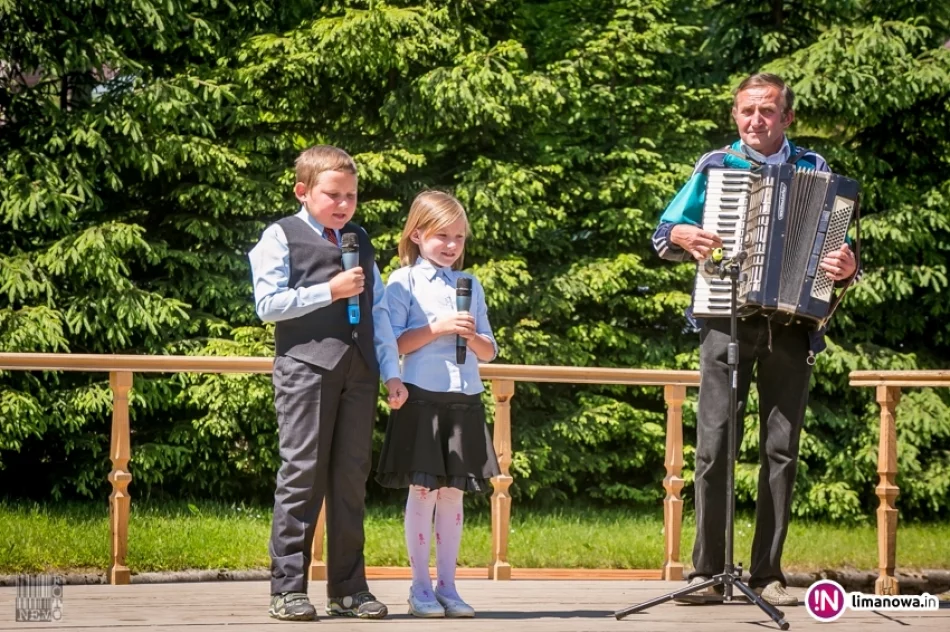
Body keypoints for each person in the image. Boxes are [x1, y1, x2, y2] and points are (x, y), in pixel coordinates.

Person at [651, 73, 858, 607]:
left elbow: (841, 257)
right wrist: (681, 234)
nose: (756, 120)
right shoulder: (716, 166)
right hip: (726, 319)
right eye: (747, 111)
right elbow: (663, 232)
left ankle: (768, 572)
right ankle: (709, 574)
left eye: (767, 111)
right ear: (735, 116)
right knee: (715, 445)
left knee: (781, 451)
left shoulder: (814, 169)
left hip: (792, 327)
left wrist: (845, 265)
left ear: (787, 117)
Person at [249, 145, 409, 621]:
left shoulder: (359, 238)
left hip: (359, 372)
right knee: (302, 475)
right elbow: (267, 305)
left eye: (352, 196)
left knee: (350, 480)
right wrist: (328, 291)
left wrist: (392, 372)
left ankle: (348, 588)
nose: (344, 204)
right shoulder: (280, 236)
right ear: (303, 191)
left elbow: (378, 309)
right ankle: (287, 589)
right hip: (305, 368)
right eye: (333, 195)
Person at [375, 190, 500, 618]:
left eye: (459, 238)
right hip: (421, 395)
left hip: (464, 396)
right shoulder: (401, 280)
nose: (450, 246)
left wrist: (470, 336)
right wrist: (438, 327)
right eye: (441, 236)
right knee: (424, 488)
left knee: (453, 494)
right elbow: (393, 341)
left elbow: (490, 351)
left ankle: (449, 586)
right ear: (417, 234)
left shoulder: (471, 284)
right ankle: (420, 587)